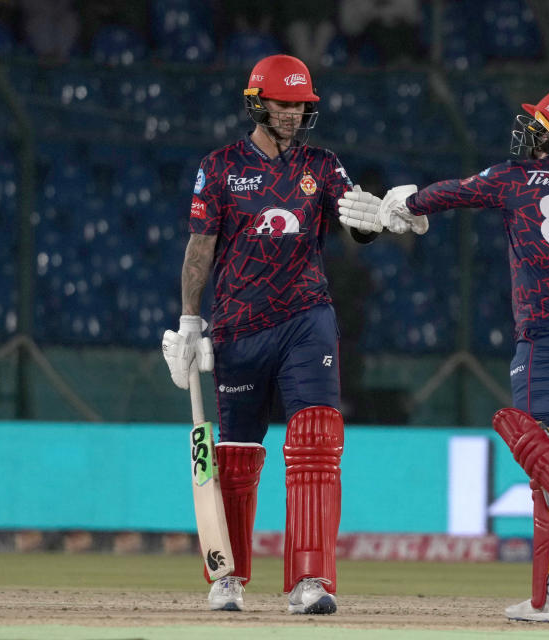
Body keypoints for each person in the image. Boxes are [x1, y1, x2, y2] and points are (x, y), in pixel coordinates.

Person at [339, 88, 549, 623]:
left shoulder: (517, 176)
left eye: (537, 126)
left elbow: (459, 192)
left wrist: (402, 206)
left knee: (542, 444)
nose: (526, 132)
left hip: (548, 332)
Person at [161, 53, 383, 616]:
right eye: (284, 103)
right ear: (257, 102)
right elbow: (199, 250)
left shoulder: (324, 165)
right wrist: (190, 323)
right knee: (235, 458)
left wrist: (378, 219)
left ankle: (311, 581)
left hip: (307, 319)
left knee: (315, 445)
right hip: (238, 326)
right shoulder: (219, 167)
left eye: (301, 104)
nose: (293, 113)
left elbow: (356, 226)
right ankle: (228, 576)